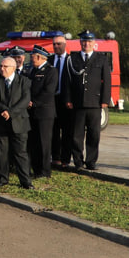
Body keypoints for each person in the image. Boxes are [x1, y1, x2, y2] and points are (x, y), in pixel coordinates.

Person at [64, 30, 111, 171]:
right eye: (84, 41)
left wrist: (105, 100)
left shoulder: (101, 58)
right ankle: (78, 161)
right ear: (80, 42)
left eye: (89, 41)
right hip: (78, 103)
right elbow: (67, 81)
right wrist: (68, 99)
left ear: (94, 43)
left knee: (94, 134)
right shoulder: (72, 59)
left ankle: (91, 161)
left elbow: (106, 81)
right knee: (76, 135)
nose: (87, 44)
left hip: (95, 103)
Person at [0, 56, 34, 189]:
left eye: (5, 67)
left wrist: (11, 112)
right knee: (1, 152)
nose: (2, 69)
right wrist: (3, 110)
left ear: (13, 68)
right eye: (1, 66)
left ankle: (25, 181)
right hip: (1, 122)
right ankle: (2, 178)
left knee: (20, 153)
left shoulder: (23, 81)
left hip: (19, 122)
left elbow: (25, 99)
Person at [27, 45, 57, 178]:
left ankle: (45, 171)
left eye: (32, 56)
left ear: (39, 57)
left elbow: (49, 92)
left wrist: (34, 103)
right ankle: (36, 169)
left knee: (44, 143)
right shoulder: (32, 71)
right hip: (32, 112)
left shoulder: (51, 71)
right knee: (34, 142)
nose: (31, 58)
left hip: (44, 113)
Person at [49, 32, 72, 168]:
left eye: (59, 44)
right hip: (52, 100)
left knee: (67, 131)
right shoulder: (50, 60)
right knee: (54, 130)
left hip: (66, 101)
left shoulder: (71, 60)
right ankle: (55, 157)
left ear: (65, 44)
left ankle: (65, 159)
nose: (56, 46)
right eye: (54, 44)